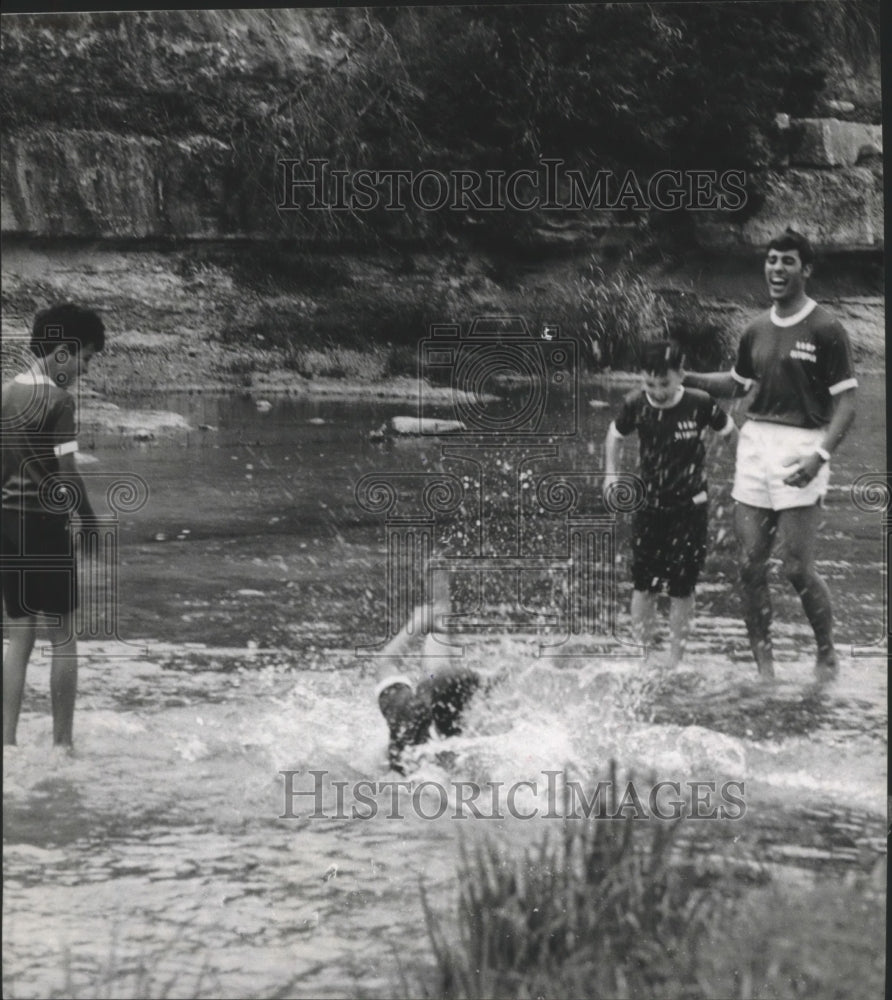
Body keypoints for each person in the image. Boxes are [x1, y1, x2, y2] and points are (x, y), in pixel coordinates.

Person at [682, 229, 857, 680]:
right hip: (756, 444)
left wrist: (819, 455)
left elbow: (847, 404)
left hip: (803, 444)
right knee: (748, 564)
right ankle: (766, 671)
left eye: (788, 262)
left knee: (797, 568)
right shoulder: (755, 328)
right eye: (772, 260)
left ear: (807, 269)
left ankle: (826, 652)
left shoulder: (826, 328)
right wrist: (687, 379)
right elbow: (737, 385)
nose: (777, 269)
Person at [2, 303, 105, 747]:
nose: (85, 368)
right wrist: (90, 521)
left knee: (18, 635)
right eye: (85, 357)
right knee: (63, 634)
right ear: (63, 351)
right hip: (46, 526)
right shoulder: (60, 402)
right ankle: (63, 744)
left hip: (7, 526)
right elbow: (67, 475)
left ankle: (6, 743)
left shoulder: (6, 393)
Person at [604, 340, 737, 667]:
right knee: (644, 584)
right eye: (650, 384)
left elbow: (732, 434)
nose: (657, 391)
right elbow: (615, 434)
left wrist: (746, 472)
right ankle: (644, 656)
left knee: (682, 586)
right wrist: (611, 474)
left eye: (664, 383)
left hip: (690, 507)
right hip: (649, 507)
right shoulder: (635, 404)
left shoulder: (700, 403)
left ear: (680, 374)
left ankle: (676, 658)